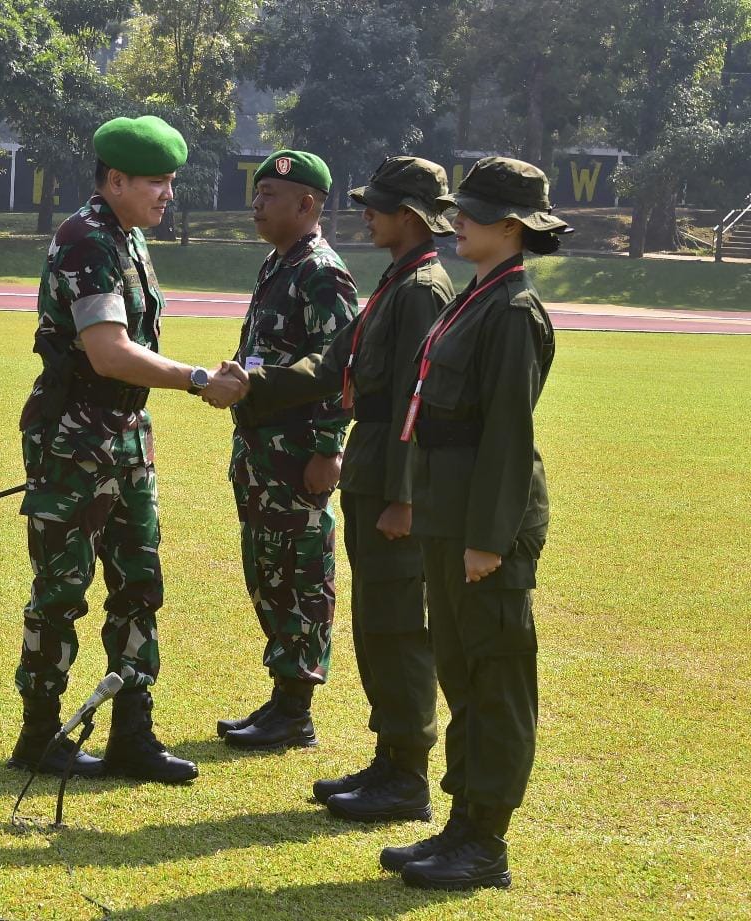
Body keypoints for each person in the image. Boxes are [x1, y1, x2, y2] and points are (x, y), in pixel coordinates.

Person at [227, 156, 571, 890]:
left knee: (493, 679)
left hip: (475, 521)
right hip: (447, 510)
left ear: (512, 227)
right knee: (460, 669)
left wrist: (485, 536)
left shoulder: (509, 310)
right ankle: (460, 823)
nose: (459, 221)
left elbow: (507, 435)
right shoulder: (472, 296)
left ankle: (484, 840)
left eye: (472, 213)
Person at [10, 115, 243, 784]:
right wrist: (199, 379)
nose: (168, 193)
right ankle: (39, 732)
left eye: (170, 181)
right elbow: (108, 353)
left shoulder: (128, 237)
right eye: (156, 182)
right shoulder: (86, 239)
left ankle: (132, 734)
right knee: (61, 589)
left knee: (138, 585)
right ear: (115, 180)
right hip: (75, 442)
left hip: (125, 438)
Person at [305, 157, 456, 824]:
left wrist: (404, 496)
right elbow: (337, 361)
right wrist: (256, 382)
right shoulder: (399, 278)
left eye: (380, 204)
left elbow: (412, 404)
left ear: (413, 217)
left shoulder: (423, 287)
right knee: (376, 620)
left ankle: (408, 776)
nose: (367, 211)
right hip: (371, 467)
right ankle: (390, 757)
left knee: (398, 625)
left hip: (393, 479)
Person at [212, 150, 358, 752]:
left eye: (270, 193)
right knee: (268, 573)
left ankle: (296, 711)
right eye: (257, 192)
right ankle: (281, 699)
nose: (257, 203)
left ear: (309, 204)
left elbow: (342, 368)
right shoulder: (280, 264)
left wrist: (328, 450)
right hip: (263, 455)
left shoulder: (322, 272)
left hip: (299, 458)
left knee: (300, 575)